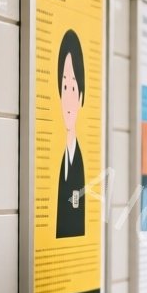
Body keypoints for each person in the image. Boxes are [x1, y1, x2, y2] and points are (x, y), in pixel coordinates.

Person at [56, 29, 88, 238]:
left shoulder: (79, 165)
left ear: (81, 95)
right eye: (65, 86)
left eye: (73, 88)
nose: (68, 100)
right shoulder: (60, 160)